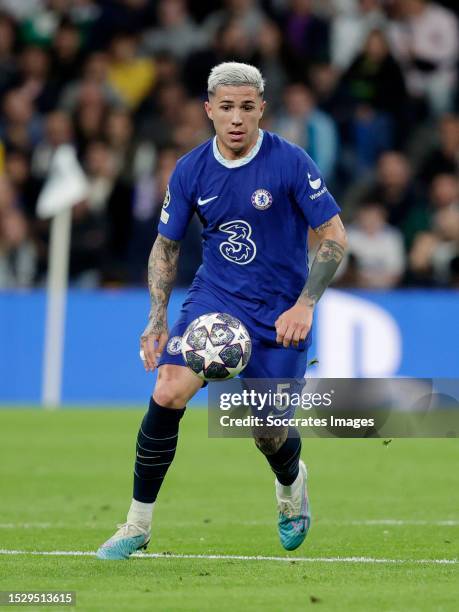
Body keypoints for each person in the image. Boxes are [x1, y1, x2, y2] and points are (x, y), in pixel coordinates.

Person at [96, 62, 347, 560]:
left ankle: (292, 486)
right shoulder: (191, 168)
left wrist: (305, 303)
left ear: (261, 110)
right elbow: (166, 248)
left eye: (247, 108)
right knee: (167, 392)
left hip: (278, 312)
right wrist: (156, 317)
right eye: (227, 107)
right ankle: (137, 524)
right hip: (215, 301)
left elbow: (334, 237)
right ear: (209, 109)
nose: (237, 118)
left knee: (268, 433)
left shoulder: (291, 162)